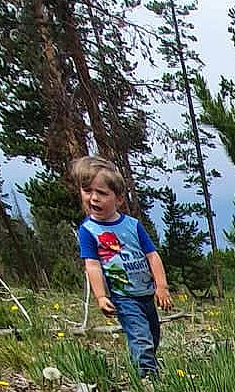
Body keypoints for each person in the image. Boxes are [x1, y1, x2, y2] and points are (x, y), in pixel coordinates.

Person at [71, 156, 172, 377]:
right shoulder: (88, 231)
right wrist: (100, 296)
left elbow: (152, 255)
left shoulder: (132, 225)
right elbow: (92, 265)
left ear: (118, 199)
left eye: (102, 193)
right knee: (140, 337)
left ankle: (144, 367)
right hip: (124, 296)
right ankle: (147, 381)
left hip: (146, 292)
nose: (94, 198)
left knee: (153, 335)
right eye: (87, 191)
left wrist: (161, 286)